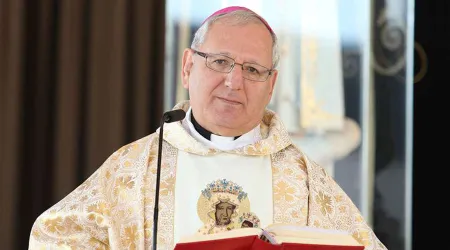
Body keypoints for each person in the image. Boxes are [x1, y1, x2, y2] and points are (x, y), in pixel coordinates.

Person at [29, 6, 387, 250]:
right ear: (188, 66)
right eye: (220, 62)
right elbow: (53, 238)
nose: (234, 81)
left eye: (252, 70)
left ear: (271, 85)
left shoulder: (303, 179)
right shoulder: (135, 169)